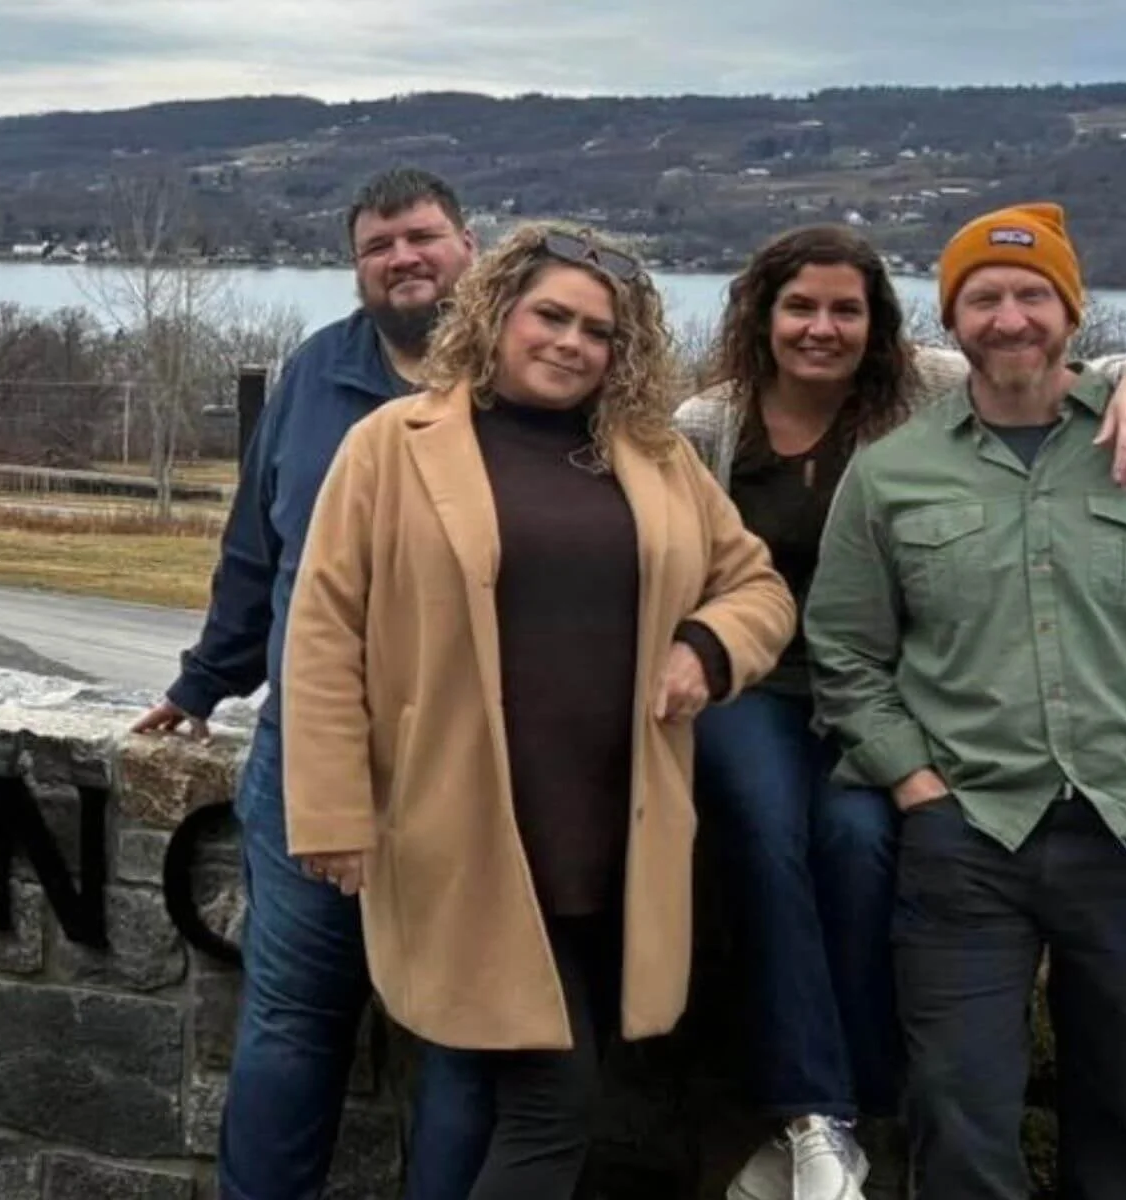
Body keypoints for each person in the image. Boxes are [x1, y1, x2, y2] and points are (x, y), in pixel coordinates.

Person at [281, 223, 796, 1200]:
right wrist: (333, 811)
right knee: (553, 1103)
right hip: (469, 831)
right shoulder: (391, 446)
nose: (571, 343)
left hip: (612, 837)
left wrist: (706, 646)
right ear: (497, 314)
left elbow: (758, 588)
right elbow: (324, 636)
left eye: (598, 332)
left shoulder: (653, 456)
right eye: (550, 316)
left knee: (509, 1097)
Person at [806, 203, 1126, 1200]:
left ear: (1072, 312)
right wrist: (914, 785)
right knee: (957, 1109)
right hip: (967, 844)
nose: (1009, 318)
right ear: (952, 321)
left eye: (1032, 294)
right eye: (982, 298)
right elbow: (845, 653)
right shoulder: (894, 472)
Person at [674, 223, 1126, 1200]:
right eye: (799, 307)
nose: (821, 328)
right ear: (762, 315)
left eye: (846, 310)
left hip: (879, 690)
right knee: (767, 833)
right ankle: (813, 1112)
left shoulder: (924, 389)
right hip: (755, 683)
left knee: (861, 841)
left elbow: (1056, 368)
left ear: (879, 323)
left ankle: (864, 1102)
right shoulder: (708, 425)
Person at [129, 167, 478, 1199]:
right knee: (291, 1021)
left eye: (422, 236)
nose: (403, 259)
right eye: (378, 246)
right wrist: (204, 681)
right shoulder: (315, 374)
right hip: (312, 751)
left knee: (463, 1033)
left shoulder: (521, 370)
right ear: (357, 266)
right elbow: (256, 549)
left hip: (471, 758)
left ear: (468, 245)